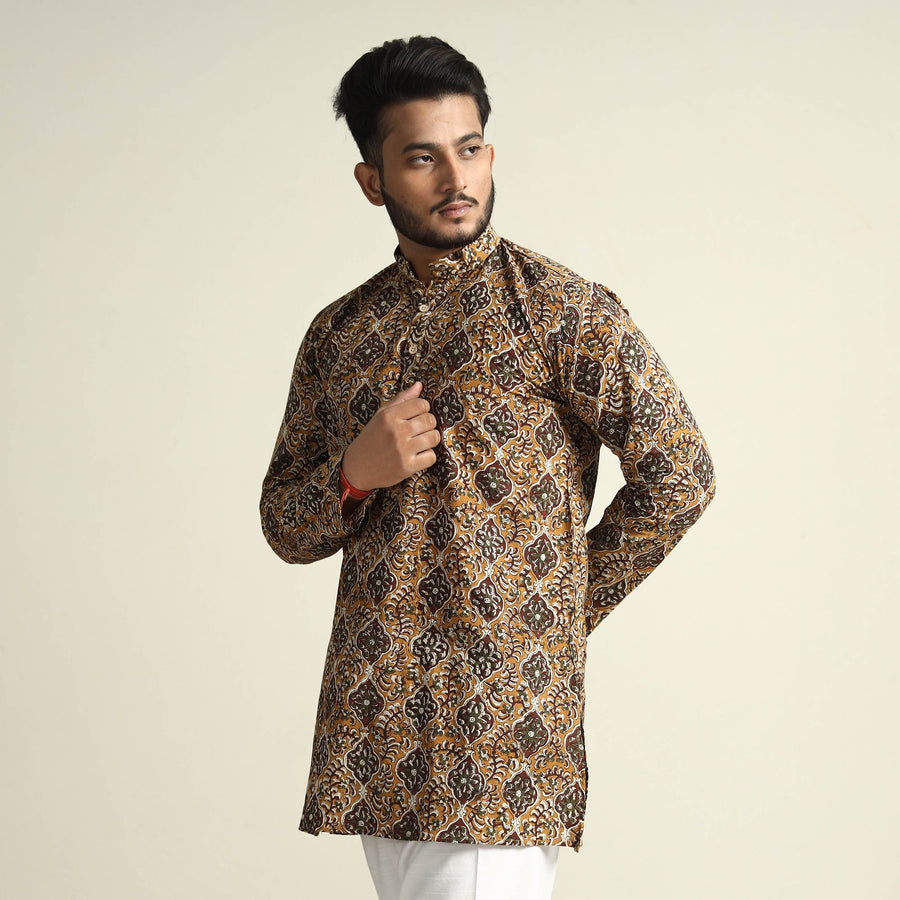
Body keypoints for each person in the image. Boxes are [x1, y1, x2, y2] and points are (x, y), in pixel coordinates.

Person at [260, 35, 716, 900]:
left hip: (497, 738)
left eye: (469, 150)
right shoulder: (341, 333)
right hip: (376, 731)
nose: (455, 178)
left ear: (491, 154)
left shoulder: (563, 311)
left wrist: (549, 615)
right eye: (422, 158)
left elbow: (682, 475)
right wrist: (354, 474)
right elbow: (284, 524)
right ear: (372, 180)